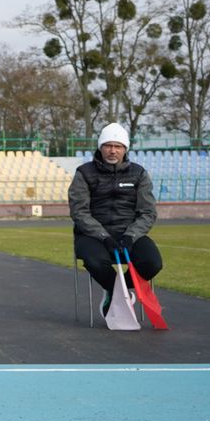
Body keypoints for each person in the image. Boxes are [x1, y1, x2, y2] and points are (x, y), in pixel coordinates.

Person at [69, 123, 163, 316]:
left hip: (128, 233)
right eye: (108, 145)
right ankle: (117, 291)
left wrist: (130, 236)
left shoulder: (139, 173)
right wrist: (104, 237)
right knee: (94, 261)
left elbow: (148, 212)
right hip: (92, 235)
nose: (112, 151)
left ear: (125, 149)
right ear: (100, 147)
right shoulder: (84, 173)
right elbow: (79, 212)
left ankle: (116, 290)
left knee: (152, 263)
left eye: (118, 146)